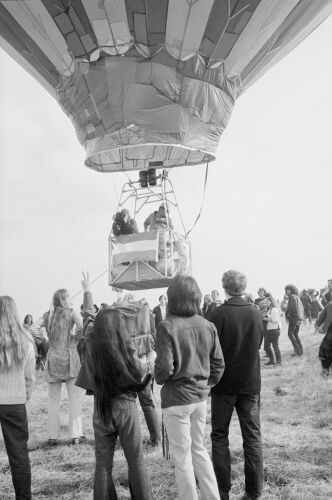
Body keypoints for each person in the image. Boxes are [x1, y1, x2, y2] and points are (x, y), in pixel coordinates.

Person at [76, 275, 153, 500]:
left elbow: (89, 318)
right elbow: (140, 372)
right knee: (136, 460)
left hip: (101, 407)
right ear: (120, 327)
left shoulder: (91, 341)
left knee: (102, 464)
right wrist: (150, 363)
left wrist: (88, 291)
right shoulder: (126, 344)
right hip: (125, 405)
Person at [155, 274, 224, 500]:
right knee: (200, 450)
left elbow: (164, 367)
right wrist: (206, 386)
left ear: (172, 298)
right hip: (199, 398)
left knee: (182, 457)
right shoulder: (208, 325)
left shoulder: (166, 326)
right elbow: (219, 364)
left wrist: (158, 377)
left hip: (176, 399)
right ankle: (212, 496)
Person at [211, 270, 264, 500]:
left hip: (223, 384)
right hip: (249, 383)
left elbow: (212, 350)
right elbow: (259, 342)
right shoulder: (255, 312)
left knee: (220, 436)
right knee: (252, 437)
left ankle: (222, 491)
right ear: (244, 287)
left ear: (224, 287)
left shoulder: (217, 313)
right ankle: (254, 492)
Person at [34, 289, 84, 445]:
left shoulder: (48, 314)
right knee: (74, 398)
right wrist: (75, 339)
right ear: (65, 299)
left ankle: (52, 436)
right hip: (70, 356)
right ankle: (76, 435)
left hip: (54, 356)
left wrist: (44, 340)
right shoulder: (72, 313)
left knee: (53, 400)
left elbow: (32, 328)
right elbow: (83, 327)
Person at [0, 296, 35, 499]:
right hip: (15, 403)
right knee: (19, 454)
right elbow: (30, 377)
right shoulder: (26, 341)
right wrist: (25, 395)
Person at [285, 284, 304, 357]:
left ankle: (297, 351)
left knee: (290, 334)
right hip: (299, 318)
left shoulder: (292, 296)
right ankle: (300, 351)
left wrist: (289, 315)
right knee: (295, 334)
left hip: (294, 318)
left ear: (292, 290)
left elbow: (293, 308)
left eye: (288, 289)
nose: (287, 291)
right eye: (286, 289)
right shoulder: (297, 297)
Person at [263, 296, 282, 366]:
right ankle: (272, 360)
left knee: (275, 346)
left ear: (271, 302)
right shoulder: (269, 310)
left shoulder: (274, 310)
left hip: (275, 329)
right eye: (265, 301)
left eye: (267, 301)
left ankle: (279, 362)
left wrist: (266, 319)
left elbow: (276, 320)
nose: (266, 303)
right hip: (270, 329)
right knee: (267, 345)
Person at [316, 301, 332, 376]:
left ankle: (325, 370)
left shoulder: (330, 304)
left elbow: (323, 316)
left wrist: (319, 325)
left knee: (324, 350)